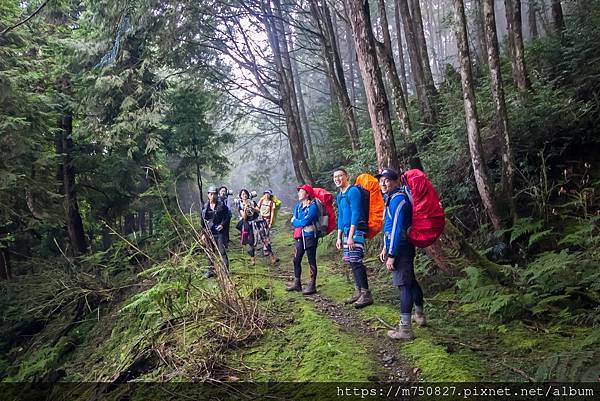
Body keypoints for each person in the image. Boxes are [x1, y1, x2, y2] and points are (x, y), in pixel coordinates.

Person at [376, 168, 426, 340]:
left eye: (387, 180)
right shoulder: (391, 198)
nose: (383, 183)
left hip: (401, 247)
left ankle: (405, 329)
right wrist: (384, 246)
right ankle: (419, 314)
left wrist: (391, 254)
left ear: (397, 181)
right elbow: (388, 228)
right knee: (410, 280)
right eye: (381, 180)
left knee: (403, 285)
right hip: (400, 246)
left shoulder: (398, 200)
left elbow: (397, 229)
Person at [333, 168, 373, 309]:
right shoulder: (340, 195)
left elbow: (356, 213)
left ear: (346, 177)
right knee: (351, 261)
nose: (337, 179)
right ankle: (358, 291)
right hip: (345, 232)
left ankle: (366, 294)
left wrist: (350, 235)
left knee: (356, 261)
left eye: (340, 176)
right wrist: (339, 237)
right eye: (335, 177)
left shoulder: (353, 191)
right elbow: (341, 217)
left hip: (356, 231)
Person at [286, 184, 319, 295]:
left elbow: (301, 221)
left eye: (301, 191)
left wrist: (297, 221)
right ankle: (297, 282)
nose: (299, 193)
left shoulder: (313, 207)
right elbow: (296, 222)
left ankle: (312, 284)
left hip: (310, 236)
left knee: (311, 260)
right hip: (299, 236)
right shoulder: (298, 207)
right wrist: (299, 222)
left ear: (307, 194)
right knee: (296, 259)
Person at [201, 186, 230, 278]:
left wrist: (222, 224)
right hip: (209, 232)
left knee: (222, 251)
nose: (212, 196)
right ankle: (210, 270)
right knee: (210, 252)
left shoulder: (222, 206)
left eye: (214, 194)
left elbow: (228, 216)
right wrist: (203, 233)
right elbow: (202, 221)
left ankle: (225, 271)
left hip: (220, 232)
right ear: (208, 195)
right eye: (211, 194)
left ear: (217, 195)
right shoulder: (205, 207)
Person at [237, 189, 260, 265]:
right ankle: (252, 259)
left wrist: (252, 207)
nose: (244, 195)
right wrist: (245, 208)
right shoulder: (240, 205)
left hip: (255, 223)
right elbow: (244, 217)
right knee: (250, 241)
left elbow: (258, 210)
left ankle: (270, 256)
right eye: (242, 194)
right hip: (247, 225)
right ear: (240, 196)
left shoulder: (252, 202)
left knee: (257, 239)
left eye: (245, 194)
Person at [257, 189, 279, 264]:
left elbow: (272, 213)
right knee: (261, 234)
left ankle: (266, 249)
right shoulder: (261, 201)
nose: (266, 195)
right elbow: (257, 209)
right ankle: (266, 248)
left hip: (267, 219)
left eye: (268, 194)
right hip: (260, 219)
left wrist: (270, 222)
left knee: (266, 234)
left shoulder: (271, 203)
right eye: (265, 194)